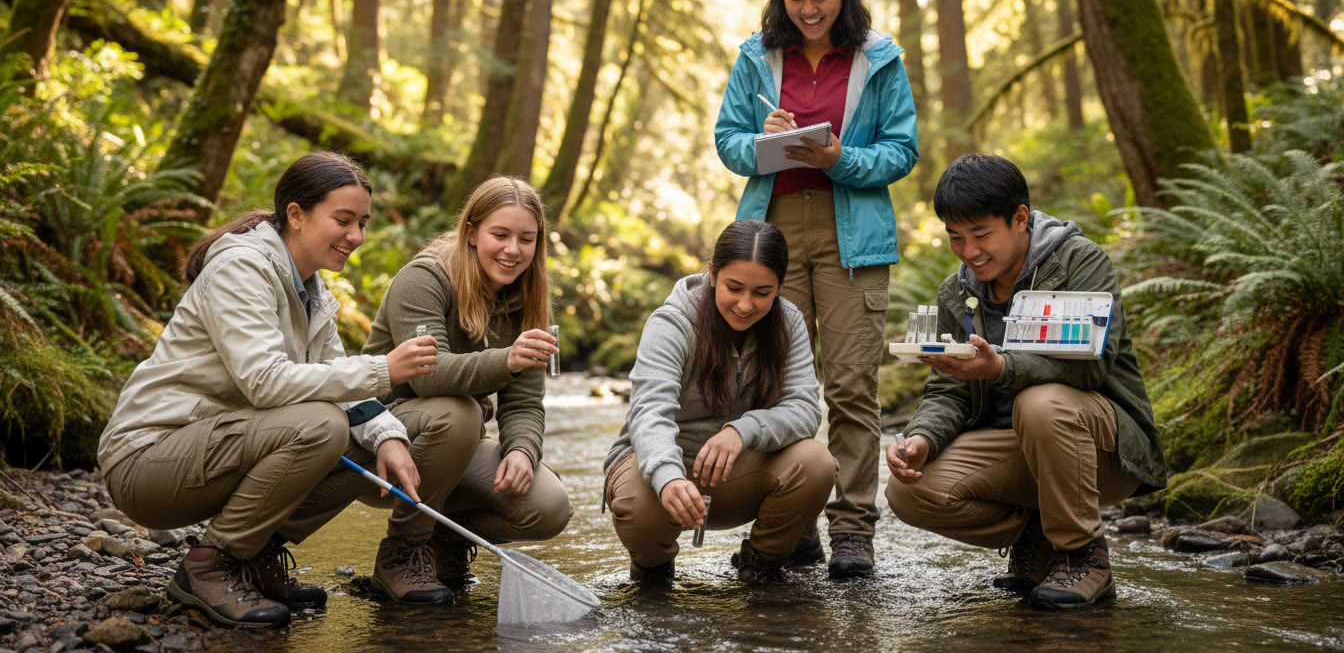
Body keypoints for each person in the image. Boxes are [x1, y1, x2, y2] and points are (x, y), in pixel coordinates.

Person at [97, 151, 475, 629]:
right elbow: (265, 381)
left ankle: (259, 557)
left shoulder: (311, 289)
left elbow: (337, 377)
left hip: (227, 448)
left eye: (362, 223)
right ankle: (210, 565)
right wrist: (385, 369)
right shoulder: (241, 269)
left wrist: (389, 436)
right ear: (295, 214)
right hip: (148, 462)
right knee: (321, 424)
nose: (355, 237)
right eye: (343, 220)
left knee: (422, 419)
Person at [713, 0, 919, 579]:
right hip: (771, 232)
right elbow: (727, 141)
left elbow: (903, 150)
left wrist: (840, 158)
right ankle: (793, 522)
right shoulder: (756, 56)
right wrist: (759, 142)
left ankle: (854, 529)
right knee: (778, 384)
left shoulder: (880, 59)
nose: (808, 9)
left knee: (853, 383)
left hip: (852, 232)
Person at [884, 154, 1168, 610]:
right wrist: (921, 437)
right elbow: (948, 390)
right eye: (955, 237)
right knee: (908, 490)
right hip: (1017, 450)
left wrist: (1001, 368)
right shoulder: (957, 292)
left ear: (1020, 219)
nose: (969, 251)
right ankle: (1039, 536)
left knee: (1039, 402)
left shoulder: (1080, 261)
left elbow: (1091, 369)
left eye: (981, 234)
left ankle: (1082, 554)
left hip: (1101, 448)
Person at [361, 176, 572, 586]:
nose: (513, 250)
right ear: (472, 233)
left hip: (452, 447)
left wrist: (523, 452)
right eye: (501, 234)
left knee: (549, 506)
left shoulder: (528, 298)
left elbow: (525, 403)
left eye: (526, 239)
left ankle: (445, 538)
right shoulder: (424, 279)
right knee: (460, 412)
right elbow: (428, 375)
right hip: (376, 439)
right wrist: (507, 358)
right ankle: (403, 551)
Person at [603, 219, 838, 584]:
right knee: (638, 506)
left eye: (762, 292)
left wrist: (742, 432)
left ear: (780, 285)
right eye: (734, 287)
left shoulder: (789, 322)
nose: (745, 305)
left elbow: (805, 410)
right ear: (712, 273)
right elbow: (649, 414)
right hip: (664, 472)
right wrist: (667, 479)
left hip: (739, 472)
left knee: (817, 462)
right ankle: (654, 568)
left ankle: (760, 563)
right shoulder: (672, 323)